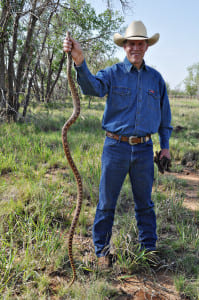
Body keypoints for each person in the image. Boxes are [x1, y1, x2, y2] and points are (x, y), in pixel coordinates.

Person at [63, 20, 172, 267]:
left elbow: (165, 117)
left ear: (146, 47)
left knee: (145, 203)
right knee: (106, 202)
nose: (135, 47)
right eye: (131, 43)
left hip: (145, 149)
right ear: (124, 46)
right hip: (116, 147)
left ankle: (148, 249)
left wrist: (165, 147)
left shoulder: (156, 79)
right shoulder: (112, 73)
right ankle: (102, 252)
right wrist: (79, 60)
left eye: (140, 43)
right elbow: (91, 87)